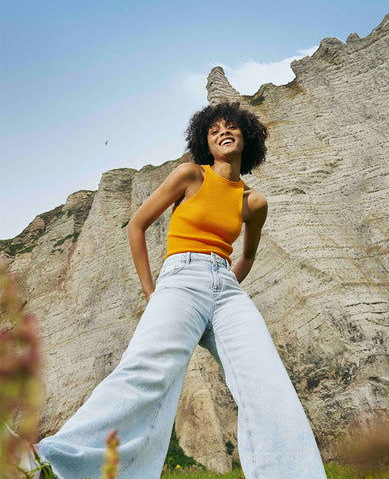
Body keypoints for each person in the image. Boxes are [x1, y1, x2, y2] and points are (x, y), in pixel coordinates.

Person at [27, 101, 326, 478]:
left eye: (230, 126)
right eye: (213, 129)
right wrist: (152, 292)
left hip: (228, 291)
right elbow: (136, 225)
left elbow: (247, 256)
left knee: (270, 388)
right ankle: (49, 464)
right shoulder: (190, 176)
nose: (222, 132)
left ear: (246, 135)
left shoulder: (254, 202)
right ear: (206, 143)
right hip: (181, 276)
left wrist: (226, 287)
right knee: (145, 373)